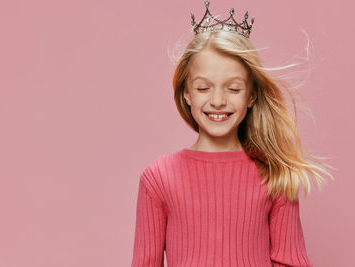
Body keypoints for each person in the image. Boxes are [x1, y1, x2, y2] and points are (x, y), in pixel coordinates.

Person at [131, 1, 334, 266]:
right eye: (203, 88)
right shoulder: (158, 178)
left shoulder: (274, 174)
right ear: (186, 93)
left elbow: (291, 261)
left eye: (233, 89)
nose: (217, 100)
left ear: (251, 96)